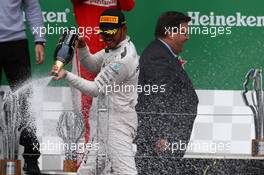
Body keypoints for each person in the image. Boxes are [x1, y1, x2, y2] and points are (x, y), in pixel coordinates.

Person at [52, 9, 139, 175]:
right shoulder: (114, 48)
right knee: (86, 171)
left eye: (111, 33)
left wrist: (66, 75)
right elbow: (91, 65)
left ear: (124, 29)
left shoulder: (123, 60)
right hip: (105, 123)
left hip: (118, 126)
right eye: (104, 34)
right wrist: (83, 47)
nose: (107, 38)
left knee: (126, 172)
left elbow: (95, 89)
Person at [134, 11, 199, 174]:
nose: (187, 37)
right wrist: (161, 135)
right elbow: (157, 97)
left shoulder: (163, 53)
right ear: (170, 33)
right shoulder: (157, 56)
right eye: (184, 32)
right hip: (161, 141)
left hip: (168, 138)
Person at [70, 0, 135, 143]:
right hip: (85, 51)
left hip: (112, 51)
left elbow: (129, 5)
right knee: (82, 110)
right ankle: (80, 160)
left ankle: (108, 156)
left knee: (114, 107)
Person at [0, 0, 45, 174]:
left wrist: (39, 39)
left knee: (26, 102)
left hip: (15, 44)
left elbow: (32, 7)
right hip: (15, 45)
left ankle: (31, 158)